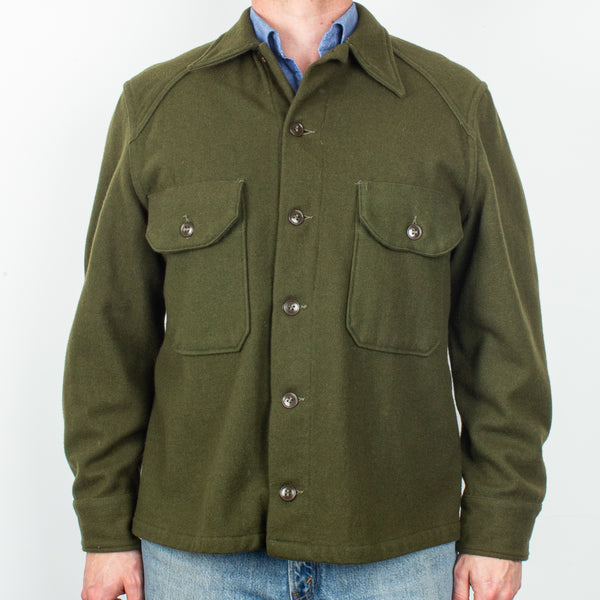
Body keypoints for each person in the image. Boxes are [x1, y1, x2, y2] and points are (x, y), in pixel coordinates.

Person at [63, 1, 552, 599]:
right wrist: (105, 527)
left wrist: (499, 528)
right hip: (199, 559)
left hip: (397, 554)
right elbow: (109, 339)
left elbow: (502, 340)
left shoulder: (452, 106)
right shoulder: (157, 107)